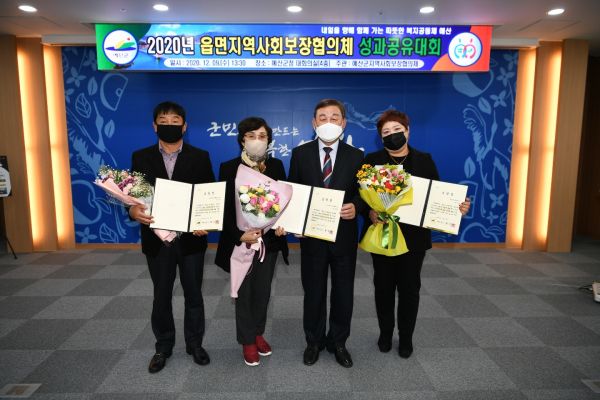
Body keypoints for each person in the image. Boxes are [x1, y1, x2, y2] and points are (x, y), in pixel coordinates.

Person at [363, 109, 470, 358]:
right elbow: (361, 197)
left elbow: (437, 197)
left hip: (414, 239)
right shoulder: (372, 161)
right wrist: (370, 212)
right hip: (384, 234)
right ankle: (385, 333)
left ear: (408, 131)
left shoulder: (424, 160)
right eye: (386, 132)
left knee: (409, 289)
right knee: (383, 288)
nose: (392, 135)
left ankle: (406, 337)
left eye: (397, 130)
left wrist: (457, 209)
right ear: (380, 137)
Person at [129, 101, 214, 373]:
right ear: (154, 126)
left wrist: (205, 221)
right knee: (161, 295)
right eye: (163, 121)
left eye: (175, 121)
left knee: (194, 294)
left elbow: (208, 195)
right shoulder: (140, 157)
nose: (169, 125)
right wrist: (132, 210)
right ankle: (163, 346)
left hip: (191, 240)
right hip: (157, 240)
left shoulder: (200, 156)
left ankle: (194, 344)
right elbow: (134, 197)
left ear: (184, 126)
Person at [287, 99, 365, 368]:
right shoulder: (301, 154)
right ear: (314, 123)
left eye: (334, 117)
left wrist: (356, 206)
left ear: (344, 123)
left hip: (344, 237)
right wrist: (296, 223)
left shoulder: (357, 156)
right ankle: (314, 341)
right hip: (312, 237)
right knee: (313, 292)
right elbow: (293, 192)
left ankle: (338, 342)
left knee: (343, 292)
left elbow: (363, 193)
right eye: (323, 117)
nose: (328, 122)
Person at [215, 117, 288, 366]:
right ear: (242, 140)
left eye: (262, 136)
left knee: (263, 291)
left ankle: (257, 332)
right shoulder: (228, 167)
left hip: (269, 242)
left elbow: (285, 203)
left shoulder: (277, 166)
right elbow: (224, 209)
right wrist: (239, 235)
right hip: (241, 242)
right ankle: (247, 340)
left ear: (269, 140)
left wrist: (282, 226)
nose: (257, 140)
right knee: (244, 292)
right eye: (251, 136)